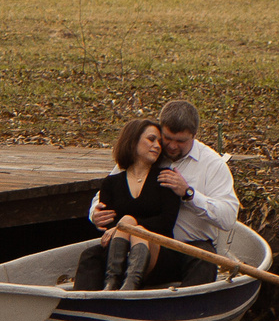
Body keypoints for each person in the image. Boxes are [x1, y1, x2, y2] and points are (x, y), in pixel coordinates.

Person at [85, 97, 240, 287]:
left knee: (204, 261)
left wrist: (189, 194)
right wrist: (95, 213)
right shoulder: (148, 153)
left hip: (188, 246)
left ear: (194, 135)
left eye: (180, 141)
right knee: (91, 256)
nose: (172, 146)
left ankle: (185, 310)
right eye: (167, 138)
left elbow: (228, 217)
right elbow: (107, 190)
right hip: (143, 243)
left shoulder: (212, 164)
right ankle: (82, 306)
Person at [77, 120, 180, 291]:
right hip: (120, 249)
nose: (157, 146)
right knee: (120, 233)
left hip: (159, 252)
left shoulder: (165, 177)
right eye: (151, 139)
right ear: (133, 142)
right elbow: (108, 223)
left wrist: (131, 222)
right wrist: (122, 226)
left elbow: (166, 222)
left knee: (137, 231)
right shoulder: (111, 183)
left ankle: (130, 284)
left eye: (159, 142)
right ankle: (112, 282)